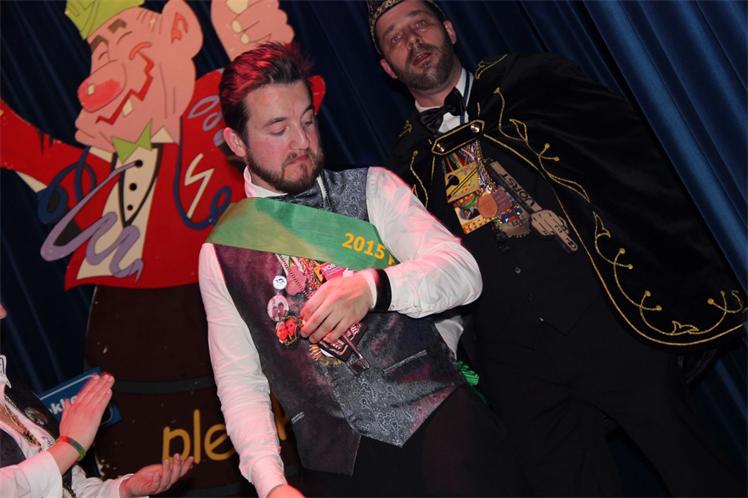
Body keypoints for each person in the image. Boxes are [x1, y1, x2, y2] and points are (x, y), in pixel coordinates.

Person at [367, 1, 746, 496]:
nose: (413, 40)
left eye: (420, 23)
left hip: (607, 324)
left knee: (695, 470)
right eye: (395, 37)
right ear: (386, 67)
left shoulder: (531, 84)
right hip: (515, 365)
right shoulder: (404, 166)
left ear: (450, 30)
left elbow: (631, 163)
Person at [199, 42, 522, 498]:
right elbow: (240, 381)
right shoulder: (222, 253)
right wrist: (271, 484)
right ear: (237, 142)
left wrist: (375, 287)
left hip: (442, 426)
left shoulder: (373, 187)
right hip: (336, 467)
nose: (301, 142)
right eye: (278, 129)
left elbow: (463, 272)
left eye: (307, 121)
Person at [0, 304, 193, 497]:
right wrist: (70, 444)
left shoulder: (14, 393)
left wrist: (123, 489)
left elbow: (70, 488)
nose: (3, 312)